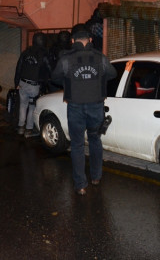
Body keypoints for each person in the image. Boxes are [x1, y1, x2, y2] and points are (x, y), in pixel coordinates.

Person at [51, 24, 116, 195]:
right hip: (96, 107)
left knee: (77, 145)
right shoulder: (100, 57)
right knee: (95, 140)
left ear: (73, 41)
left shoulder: (66, 59)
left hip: (75, 107)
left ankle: (80, 185)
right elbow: (112, 74)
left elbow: (54, 77)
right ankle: (96, 177)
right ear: (90, 40)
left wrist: (68, 81)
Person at [14, 32, 51, 138]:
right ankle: (29, 130)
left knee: (23, 105)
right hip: (34, 85)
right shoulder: (44, 54)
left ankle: (21, 127)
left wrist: (16, 83)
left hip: (22, 82)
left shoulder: (25, 52)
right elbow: (49, 69)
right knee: (32, 106)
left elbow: (18, 68)